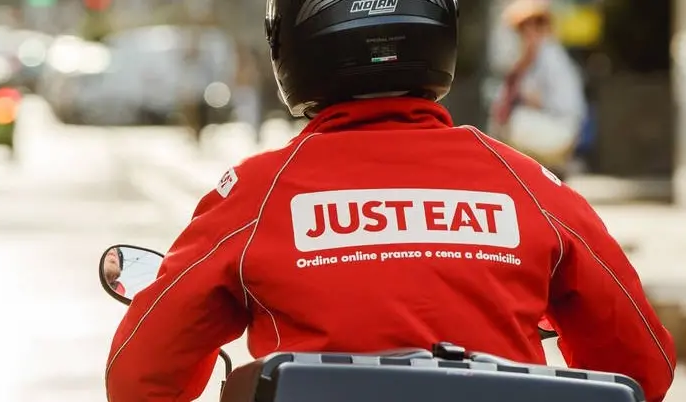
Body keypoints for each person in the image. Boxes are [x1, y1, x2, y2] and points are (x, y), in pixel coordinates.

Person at [105, 1, 676, 401]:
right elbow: (643, 368)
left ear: (292, 42)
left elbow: (138, 380)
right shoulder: (526, 184)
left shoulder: (257, 195)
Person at [491, 0, 588, 180]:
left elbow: (567, 108)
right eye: (524, 29)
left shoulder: (551, 57)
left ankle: (546, 169)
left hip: (561, 127)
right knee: (504, 123)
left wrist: (534, 100)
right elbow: (500, 103)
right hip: (545, 125)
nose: (529, 33)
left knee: (516, 123)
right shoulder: (524, 61)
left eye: (536, 26)